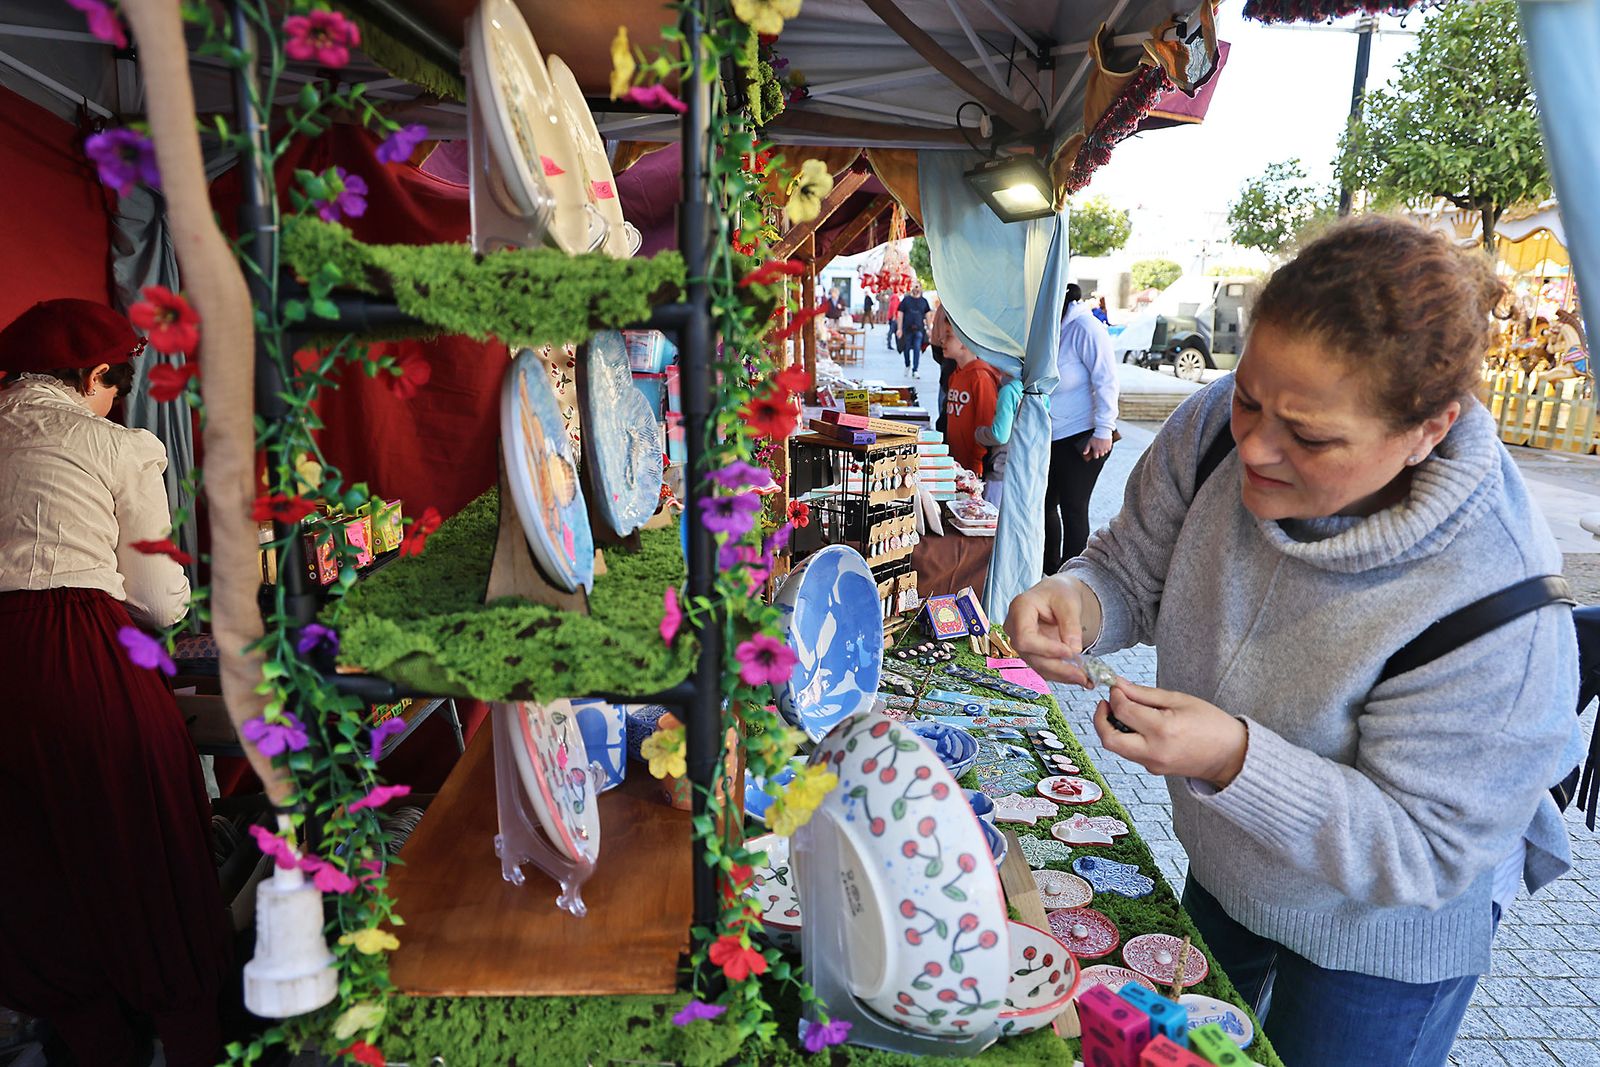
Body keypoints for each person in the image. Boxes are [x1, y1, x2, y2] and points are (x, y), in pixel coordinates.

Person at [1004, 216, 1583, 1067]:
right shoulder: (1208, 430)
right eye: (1247, 395)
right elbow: (1131, 567)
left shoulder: (1501, 599)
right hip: (1232, 869)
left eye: (1309, 435)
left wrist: (1234, 759)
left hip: (1383, 940)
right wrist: (1076, 600)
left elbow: (1422, 849)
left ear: (1429, 430)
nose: (1255, 444)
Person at [0, 299, 228, 1067]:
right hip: (79, 660)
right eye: (112, 384)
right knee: (147, 855)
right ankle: (193, 1045)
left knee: (33, 875)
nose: (115, 399)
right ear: (93, 375)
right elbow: (162, 601)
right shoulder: (114, 446)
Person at [1043, 282, 1119, 573]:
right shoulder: (1052, 328)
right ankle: (1049, 570)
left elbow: (1107, 380)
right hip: (1052, 436)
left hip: (1084, 436)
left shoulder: (1085, 328)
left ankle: (1073, 578)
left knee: (1074, 508)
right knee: (1046, 504)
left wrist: (1104, 430)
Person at [940, 317, 1002, 476]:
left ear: (965, 342)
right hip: (956, 462)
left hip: (973, 468)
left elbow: (986, 423)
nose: (942, 340)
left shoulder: (981, 378)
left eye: (948, 335)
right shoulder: (955, 376)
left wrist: (976, 463)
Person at [897, 283, 933, 374]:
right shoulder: (906, 300)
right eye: (914, 286)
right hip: (907, 329)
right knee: (906, 348)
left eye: (917, 286)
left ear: (921, 288)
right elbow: (900, 314)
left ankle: (915, 369)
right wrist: (899, 328)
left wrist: (929, 329)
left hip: (919, 329)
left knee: (917, 348)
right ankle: (907, 364)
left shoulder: (924, 301)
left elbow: (928, 315)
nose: (916, 288)